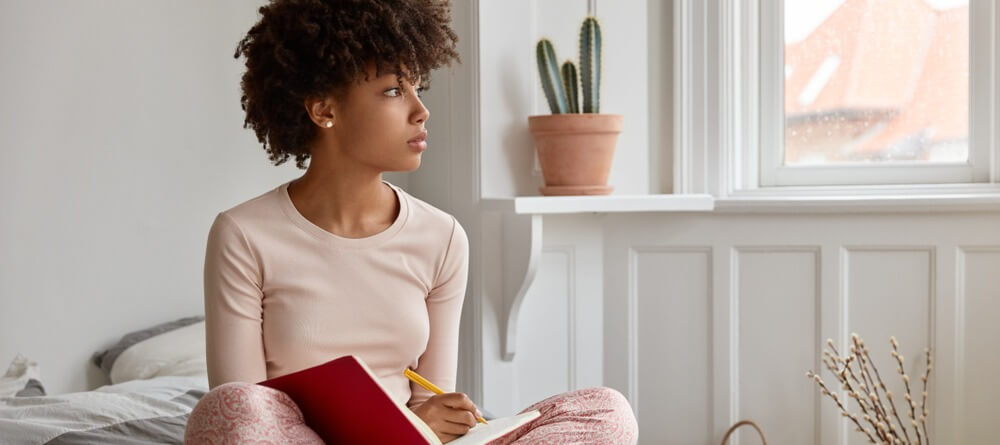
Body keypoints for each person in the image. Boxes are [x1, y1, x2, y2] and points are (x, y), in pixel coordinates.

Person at [183, 1, 639, 444]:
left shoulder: (441, 237)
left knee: (606, 411)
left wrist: (439, 420)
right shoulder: (243, 234)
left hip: (410, 440)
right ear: (324, 110)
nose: (421, 111)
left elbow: (432, 407)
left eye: (418, 88)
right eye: (393, 91)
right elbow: (244, 404)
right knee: (230, 409)